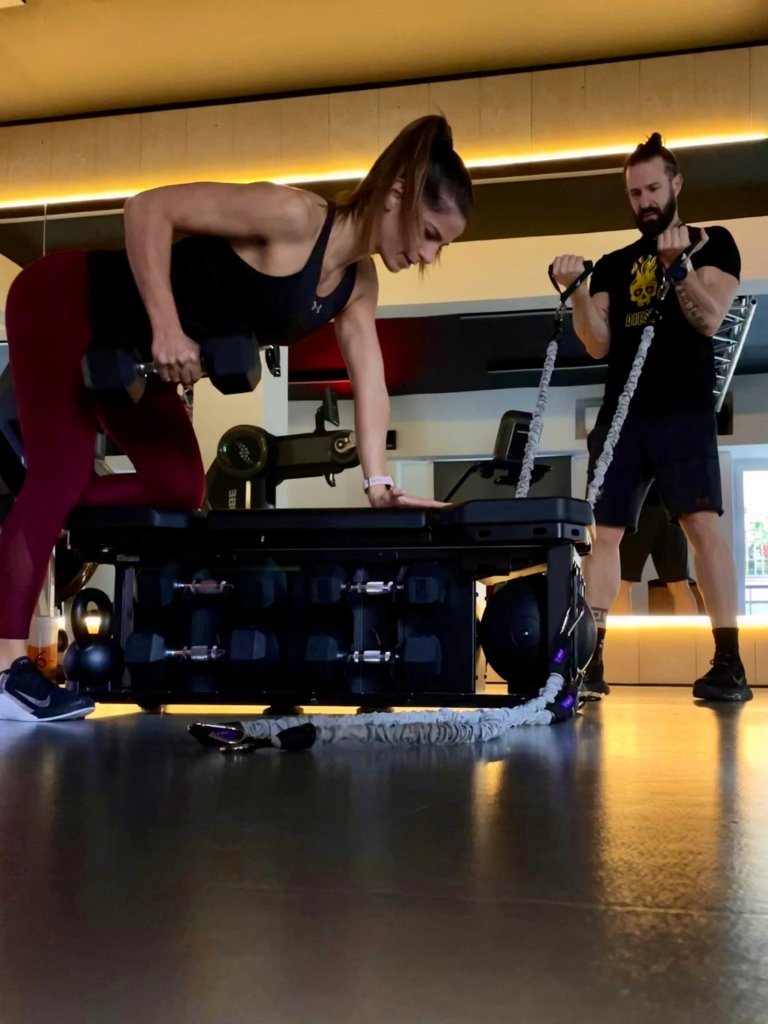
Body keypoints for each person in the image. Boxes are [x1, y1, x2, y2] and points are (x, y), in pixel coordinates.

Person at [0, 114, 473, 722]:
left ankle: (33, 511)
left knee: (179, 488)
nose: (430, 254)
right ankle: (6, 671)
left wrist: (379, 484)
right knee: (56, 479)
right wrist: (167, 329)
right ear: (398, 193)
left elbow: (371, 382)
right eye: (431, 233)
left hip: (125, 358)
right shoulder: (294, 216)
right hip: (68, 300)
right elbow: (146, 210)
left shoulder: (358, 284)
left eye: (442, 246)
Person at [551, 132, 750, 703]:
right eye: (635, 193)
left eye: (653, 188)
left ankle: (729, 663)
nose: (644, 201)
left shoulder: (712, 243)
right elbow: (597, 343)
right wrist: (578, 290)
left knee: (700, 526)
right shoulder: (616, 265)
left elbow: (709, 320)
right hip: (622, 414)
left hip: (683, 409)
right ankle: (591, 661)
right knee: (603, 536)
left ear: (676, 184)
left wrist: (678, 268)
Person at [612, 482, 698, 616]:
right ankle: (692, 631)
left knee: (622, 582)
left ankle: (621, 632)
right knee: (679, 584)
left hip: (638, 506)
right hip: (671, 508)